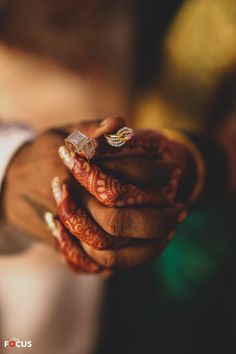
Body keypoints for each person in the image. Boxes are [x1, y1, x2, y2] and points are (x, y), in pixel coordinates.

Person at [0, 0, 235, 353]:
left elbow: (111, 129)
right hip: (20, 270)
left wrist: (168, 156)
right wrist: (13, 166)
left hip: (124, 244)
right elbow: (67, 147)